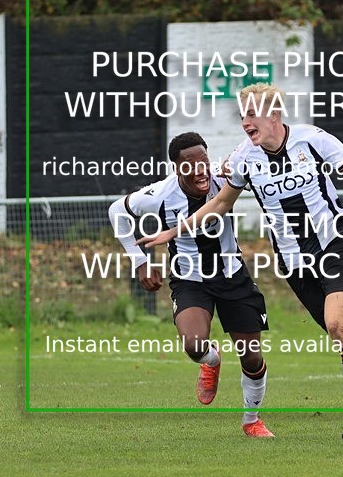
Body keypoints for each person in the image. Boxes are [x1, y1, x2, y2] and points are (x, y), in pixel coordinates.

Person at [141, 83, 343, 446]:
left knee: (337, 325)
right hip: (293, 264)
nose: (245, 123)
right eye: (241, 116)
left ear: (274, 114)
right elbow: (220, 203)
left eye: (251, 115)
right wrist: (173, 231)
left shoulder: (312, 139)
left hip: (333, 242)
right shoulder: (244, 157)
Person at [109, 132, 274, 438]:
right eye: (189, 163)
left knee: (251, 355)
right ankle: (211, 360)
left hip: (232, 275)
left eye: (203, 160)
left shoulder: (224, 179)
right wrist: (140, 261)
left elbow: (263, 166)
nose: (200, 169)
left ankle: (252, 420)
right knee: (194, 344)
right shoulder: (159, 195)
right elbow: (117, 211)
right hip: (190, 280)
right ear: (176, 168)